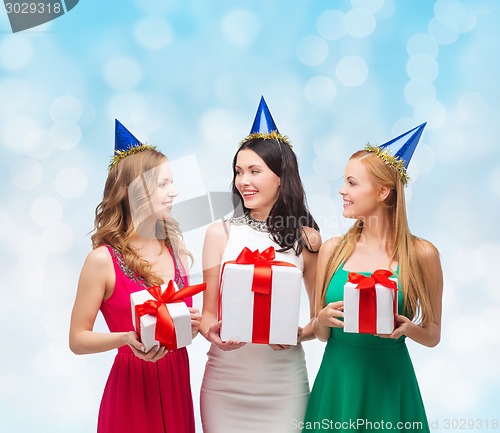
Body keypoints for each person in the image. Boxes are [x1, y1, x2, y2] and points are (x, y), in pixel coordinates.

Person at [303, 123, 443, 432]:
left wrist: (409, 329)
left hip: (391, 385)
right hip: (338, 382)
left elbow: (433, 334)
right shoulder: (331, 250)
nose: (342, 190)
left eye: (352, 183)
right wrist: (322, 321)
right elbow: (322, 333)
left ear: (383, 191)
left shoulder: (422, 255)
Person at [69, 120, 201, 433]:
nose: (174, 192)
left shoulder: (176, 251)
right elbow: (77, 339)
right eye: (164, 184)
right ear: (135, 191)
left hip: (176, 384)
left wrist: (189, 327)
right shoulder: (102, 260)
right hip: (131, 391)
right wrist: (126, 339)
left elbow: (175, 333)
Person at [199, 97, 322, 433]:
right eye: (239, 172)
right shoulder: (219, 234)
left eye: (255, 171)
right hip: (225, 384)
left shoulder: (307, 240)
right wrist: (212, 331)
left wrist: (299, 334)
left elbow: (319, 321)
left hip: (284, 385)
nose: (244, 181)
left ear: (281, 177)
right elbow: (208, 314)